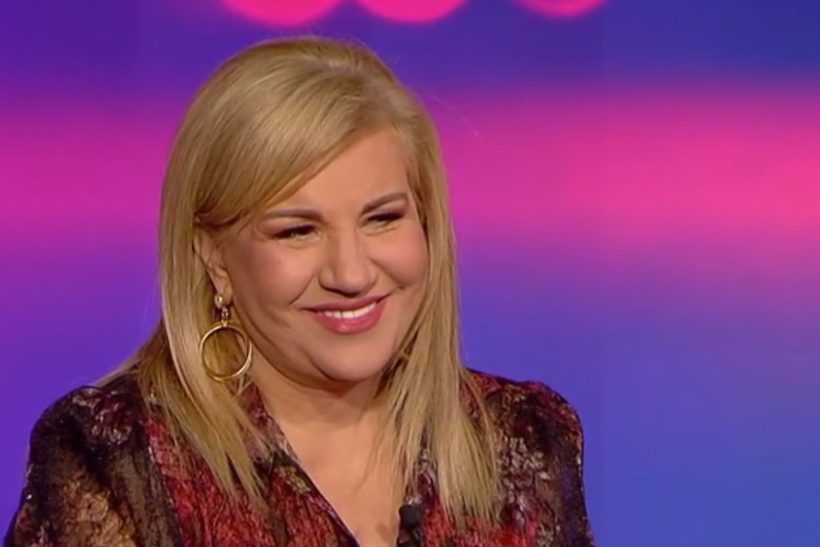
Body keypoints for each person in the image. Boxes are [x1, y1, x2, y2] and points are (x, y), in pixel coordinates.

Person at [5, 36, 594, 546]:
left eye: (383, 219)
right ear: (214, 257)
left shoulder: (523, 440)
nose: (351, 274)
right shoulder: (118, 461)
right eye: (297, 231)